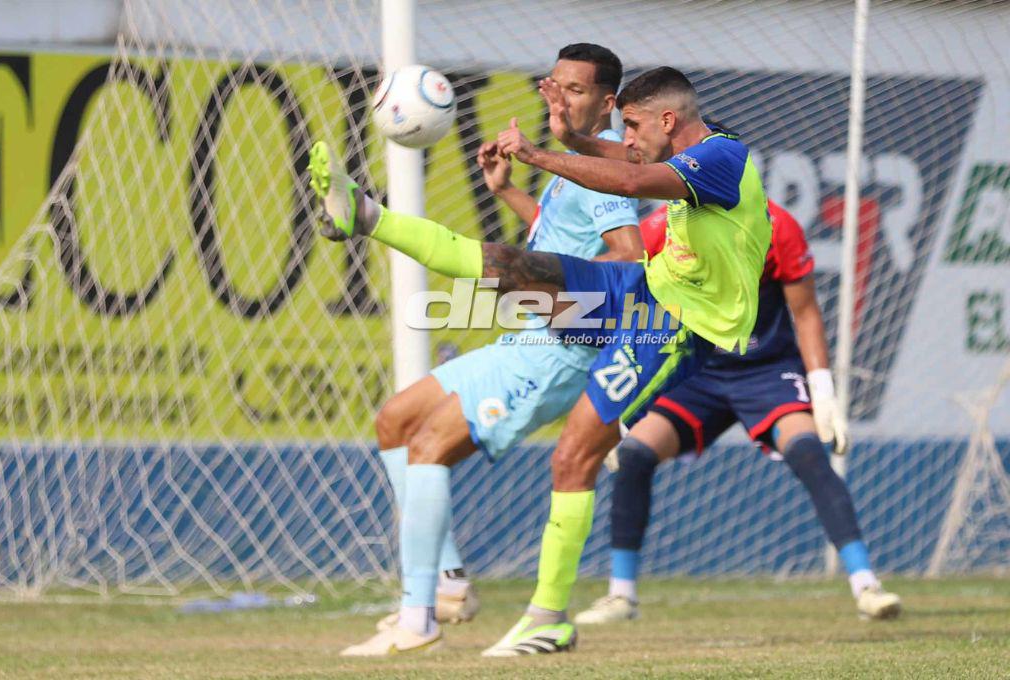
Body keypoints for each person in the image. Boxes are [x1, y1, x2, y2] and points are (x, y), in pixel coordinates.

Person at [311, 66, 772, 656]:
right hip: (644, 293)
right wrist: (573, 140)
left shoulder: (724, 160)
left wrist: (537, 153)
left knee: (572, 455)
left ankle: (547, 618)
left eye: (631, 126)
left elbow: (631, 184)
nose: (625, 139)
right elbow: (628, 163)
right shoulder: (695, 147)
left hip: (676, 328)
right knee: (505, 267)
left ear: (667, 121)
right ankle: (367, 217)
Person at [337, 43, 643, 656]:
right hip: (530, 335)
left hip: (558, 349)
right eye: (553, 85)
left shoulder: (603, 171)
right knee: (395, 420)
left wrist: (561, 289)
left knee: (427, 448)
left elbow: (626, 255)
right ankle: (447, 586)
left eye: (574, 90)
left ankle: (417, 615)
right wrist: (507, 193)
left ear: (608, 103)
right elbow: (563, 243)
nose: (557, 96)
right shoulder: (572, 161)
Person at [575, 202, 901, 626]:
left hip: (767, 370)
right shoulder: (664, 226)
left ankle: (866, 585)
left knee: (808, 450)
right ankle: (621, 596)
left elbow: (804, 312)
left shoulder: (777, 225)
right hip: (695, 371)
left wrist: (822, 391)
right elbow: (620, 290)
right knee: (635, 453)